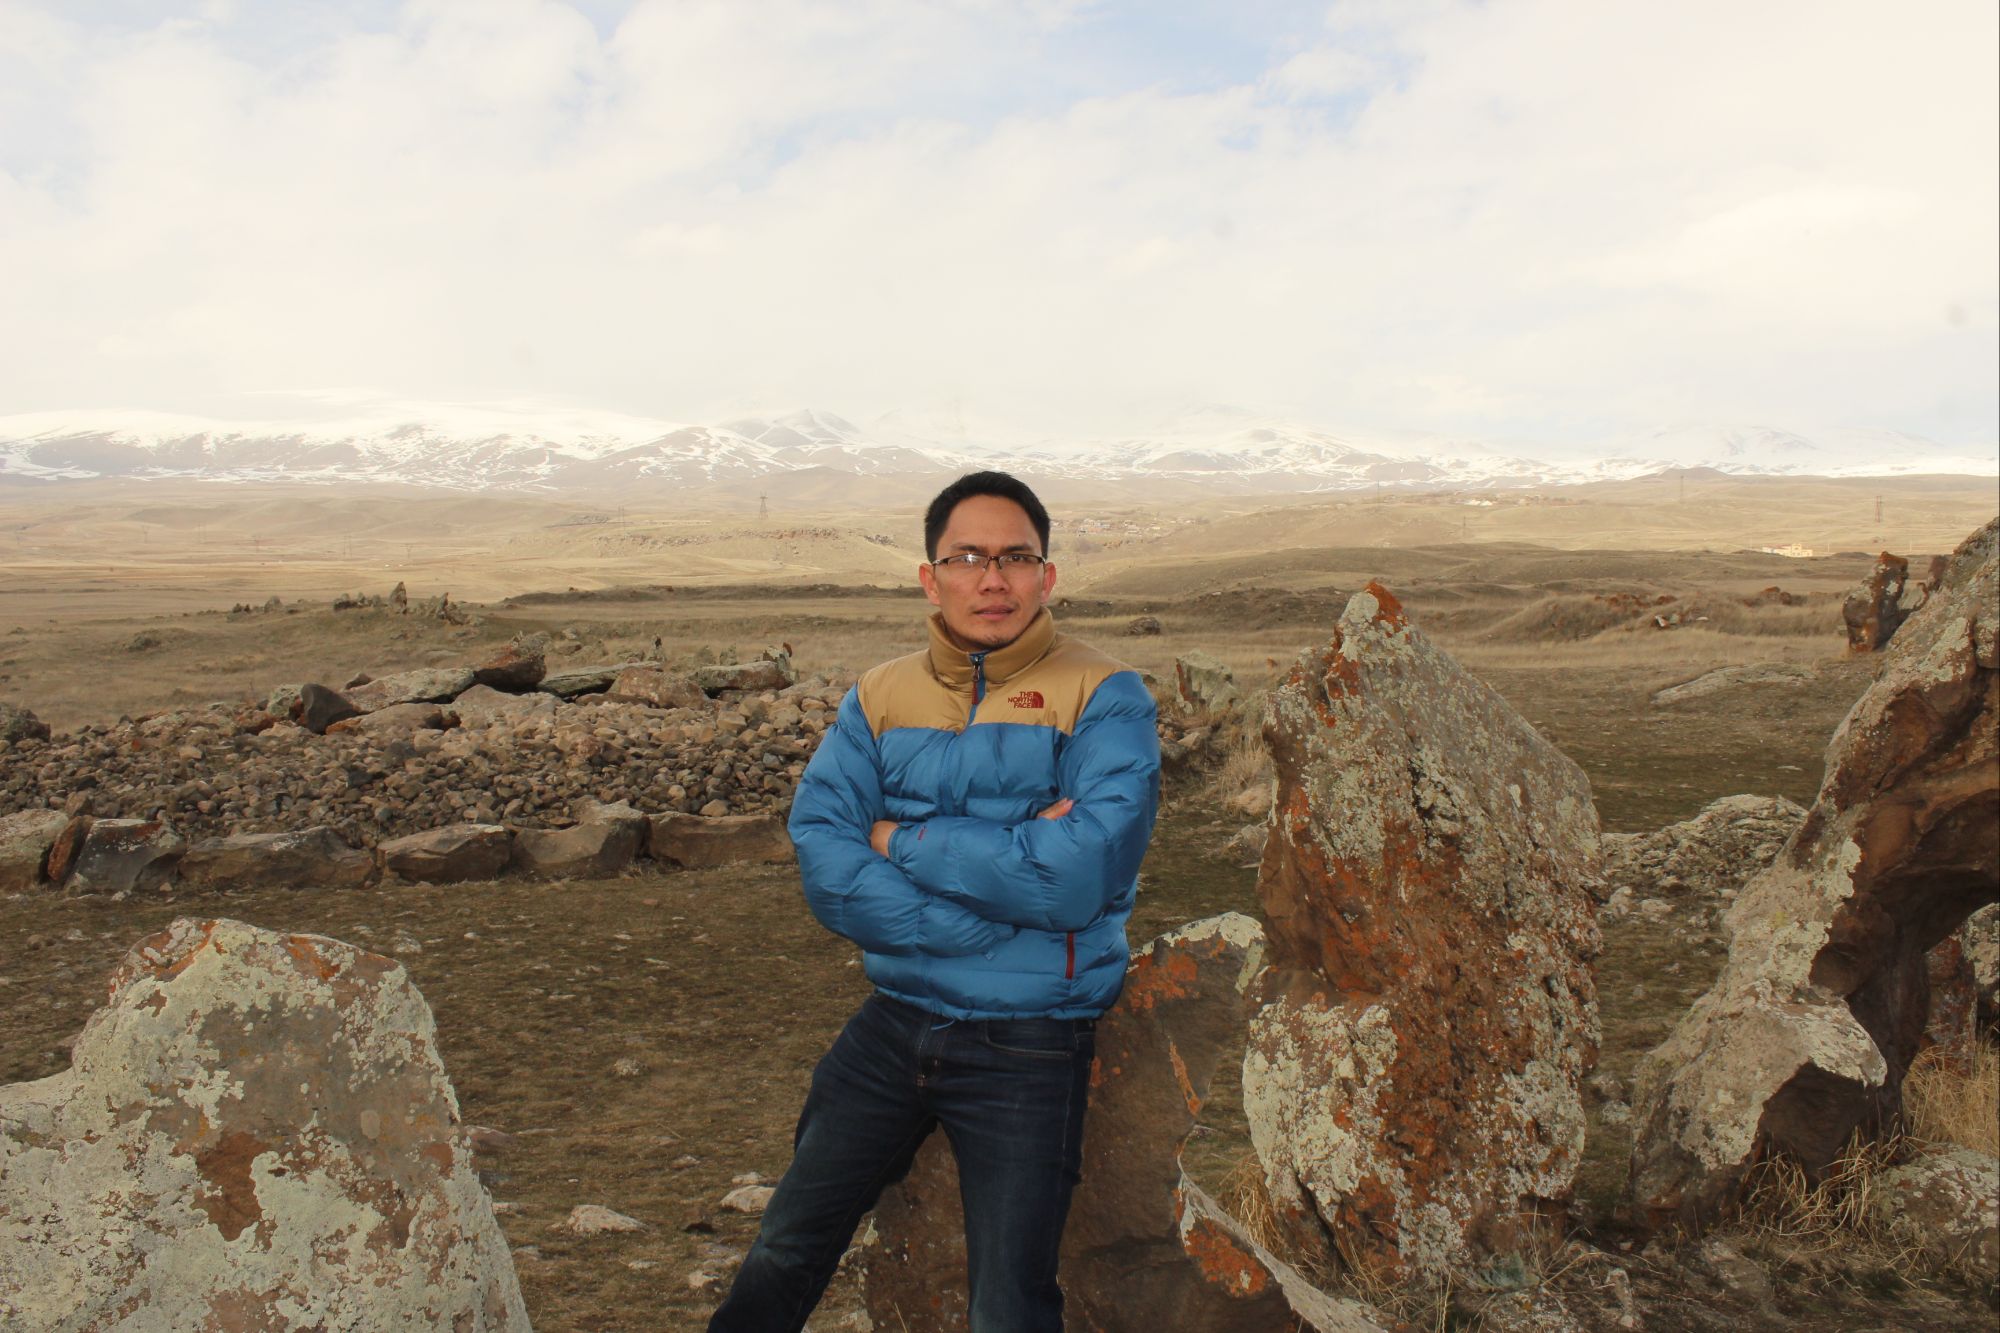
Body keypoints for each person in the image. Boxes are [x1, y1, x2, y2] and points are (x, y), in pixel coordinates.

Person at [708, 470, 1161, 1332]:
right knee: (783, 1249)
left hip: (1031, 1041)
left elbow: (1077, 875)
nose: (993, 579)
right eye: (968, 557)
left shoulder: (1105, 695)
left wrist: (897, 839)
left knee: (1007, 1304)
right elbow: (824, 847)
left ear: (1047, 576)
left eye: (1015, 557)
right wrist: (997, 883)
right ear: (931, 577)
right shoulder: (880, 695)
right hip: (893, 1021)